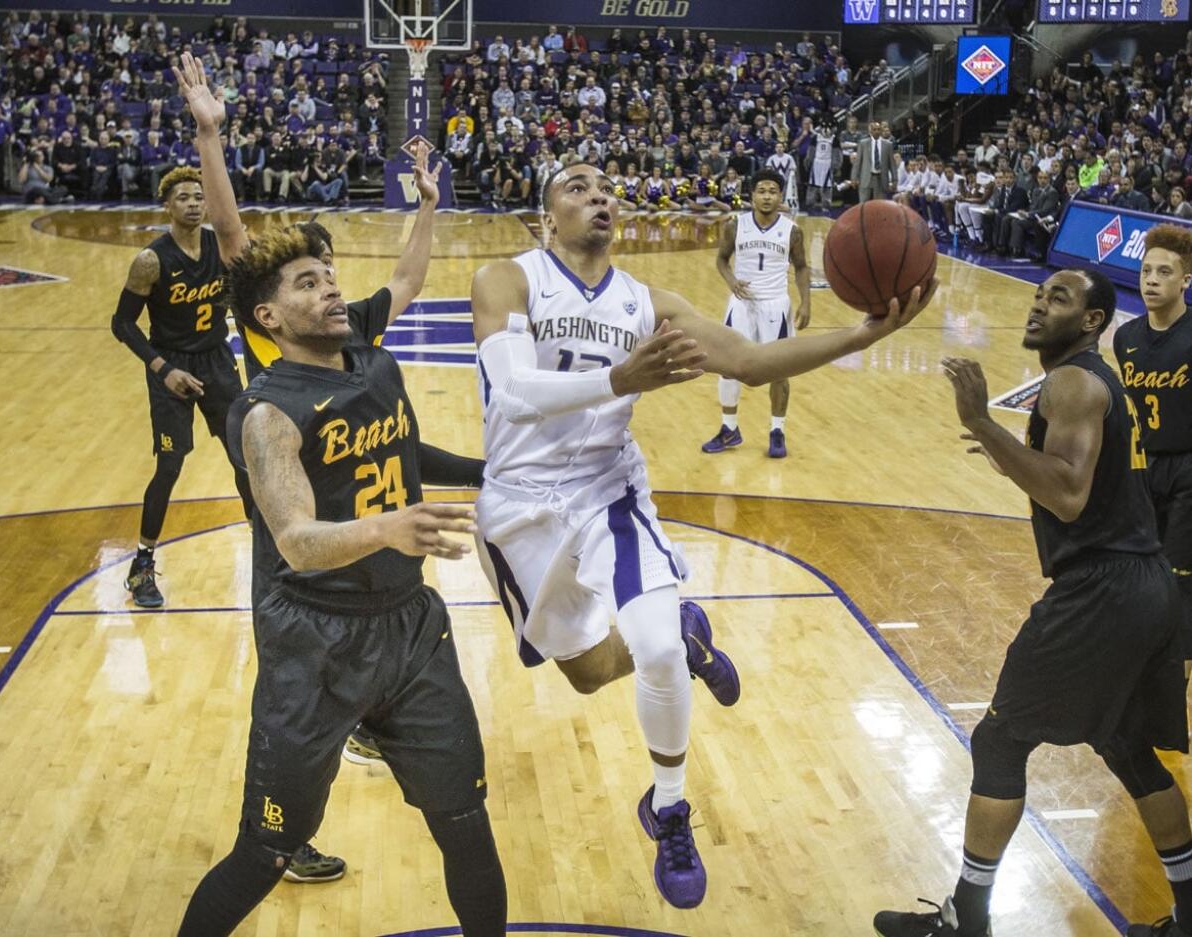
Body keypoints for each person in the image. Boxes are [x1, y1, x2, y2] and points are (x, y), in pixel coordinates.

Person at [470, 162, 934, 910]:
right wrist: (623, 380)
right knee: (589, 673)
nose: (598, 194)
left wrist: (863, 333)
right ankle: (687, 633)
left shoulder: (648, 303)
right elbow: (515, 393)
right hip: (521, 505)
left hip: (607, 492)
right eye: (576, 186)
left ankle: (671, 806)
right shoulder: (508, 280)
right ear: (545, 215)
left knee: (649, 647)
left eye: (604, 186)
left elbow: (749, 362)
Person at [172, 57, 499, 931]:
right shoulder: (268, 406)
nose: (331, 285)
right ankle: (294, 820)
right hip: (310, 634)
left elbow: (409, 281)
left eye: (329, 274)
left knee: (467, 823)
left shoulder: (363, 343)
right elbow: (298, 542)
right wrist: (211, 135)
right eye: (311, 279)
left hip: (406, 623)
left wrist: (429, 203)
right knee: (263, 849)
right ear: (268, 317)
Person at [874, 268, 1190, 937]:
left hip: (1101, 590)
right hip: (1146, 583)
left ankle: (969, 918)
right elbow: (1082, 478)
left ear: (1093, 321)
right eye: (1040, 293)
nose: (1040, 303)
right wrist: (1006, 447)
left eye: (1060, 298)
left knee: (999, 740)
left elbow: (1069, 493)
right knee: (1131, 748)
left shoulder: (1072, 379)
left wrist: (985, 424)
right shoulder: (1089, 379)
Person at [109, 165, 255, 612]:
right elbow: (121, 323)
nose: (194, 203)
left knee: (245, 455)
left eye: (199, 196)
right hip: (170, 366)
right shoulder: (151, 260)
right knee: (170, 466)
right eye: (184, 198)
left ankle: (270, 550)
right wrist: (163, 368)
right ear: (167, 206)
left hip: (216, 361)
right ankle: (143, 565)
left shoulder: (222, 248)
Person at [1113, 225, 1192, 675]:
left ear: (1186, 280)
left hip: (1188, 469)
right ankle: (1146, 657)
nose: (1152, 280)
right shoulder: (1127, 339)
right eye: (1146, 270)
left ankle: (1173, 672)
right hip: (1144, 468)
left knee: (1180, 574)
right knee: (1143, 570)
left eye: (1165, 272)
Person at [702, 170, 811, 458]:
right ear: (752, 195)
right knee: (727, 367)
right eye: (761, 190)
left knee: (779, 371)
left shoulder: (792, 231)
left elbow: (801, 266)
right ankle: (729, 429)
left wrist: (806, 302)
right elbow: (722, 259)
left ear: (780, 196)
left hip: (776, 305)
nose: (766, 196)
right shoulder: (735, 225)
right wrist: (731, 281)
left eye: (772, 191)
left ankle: (777, 431)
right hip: (741, 304)